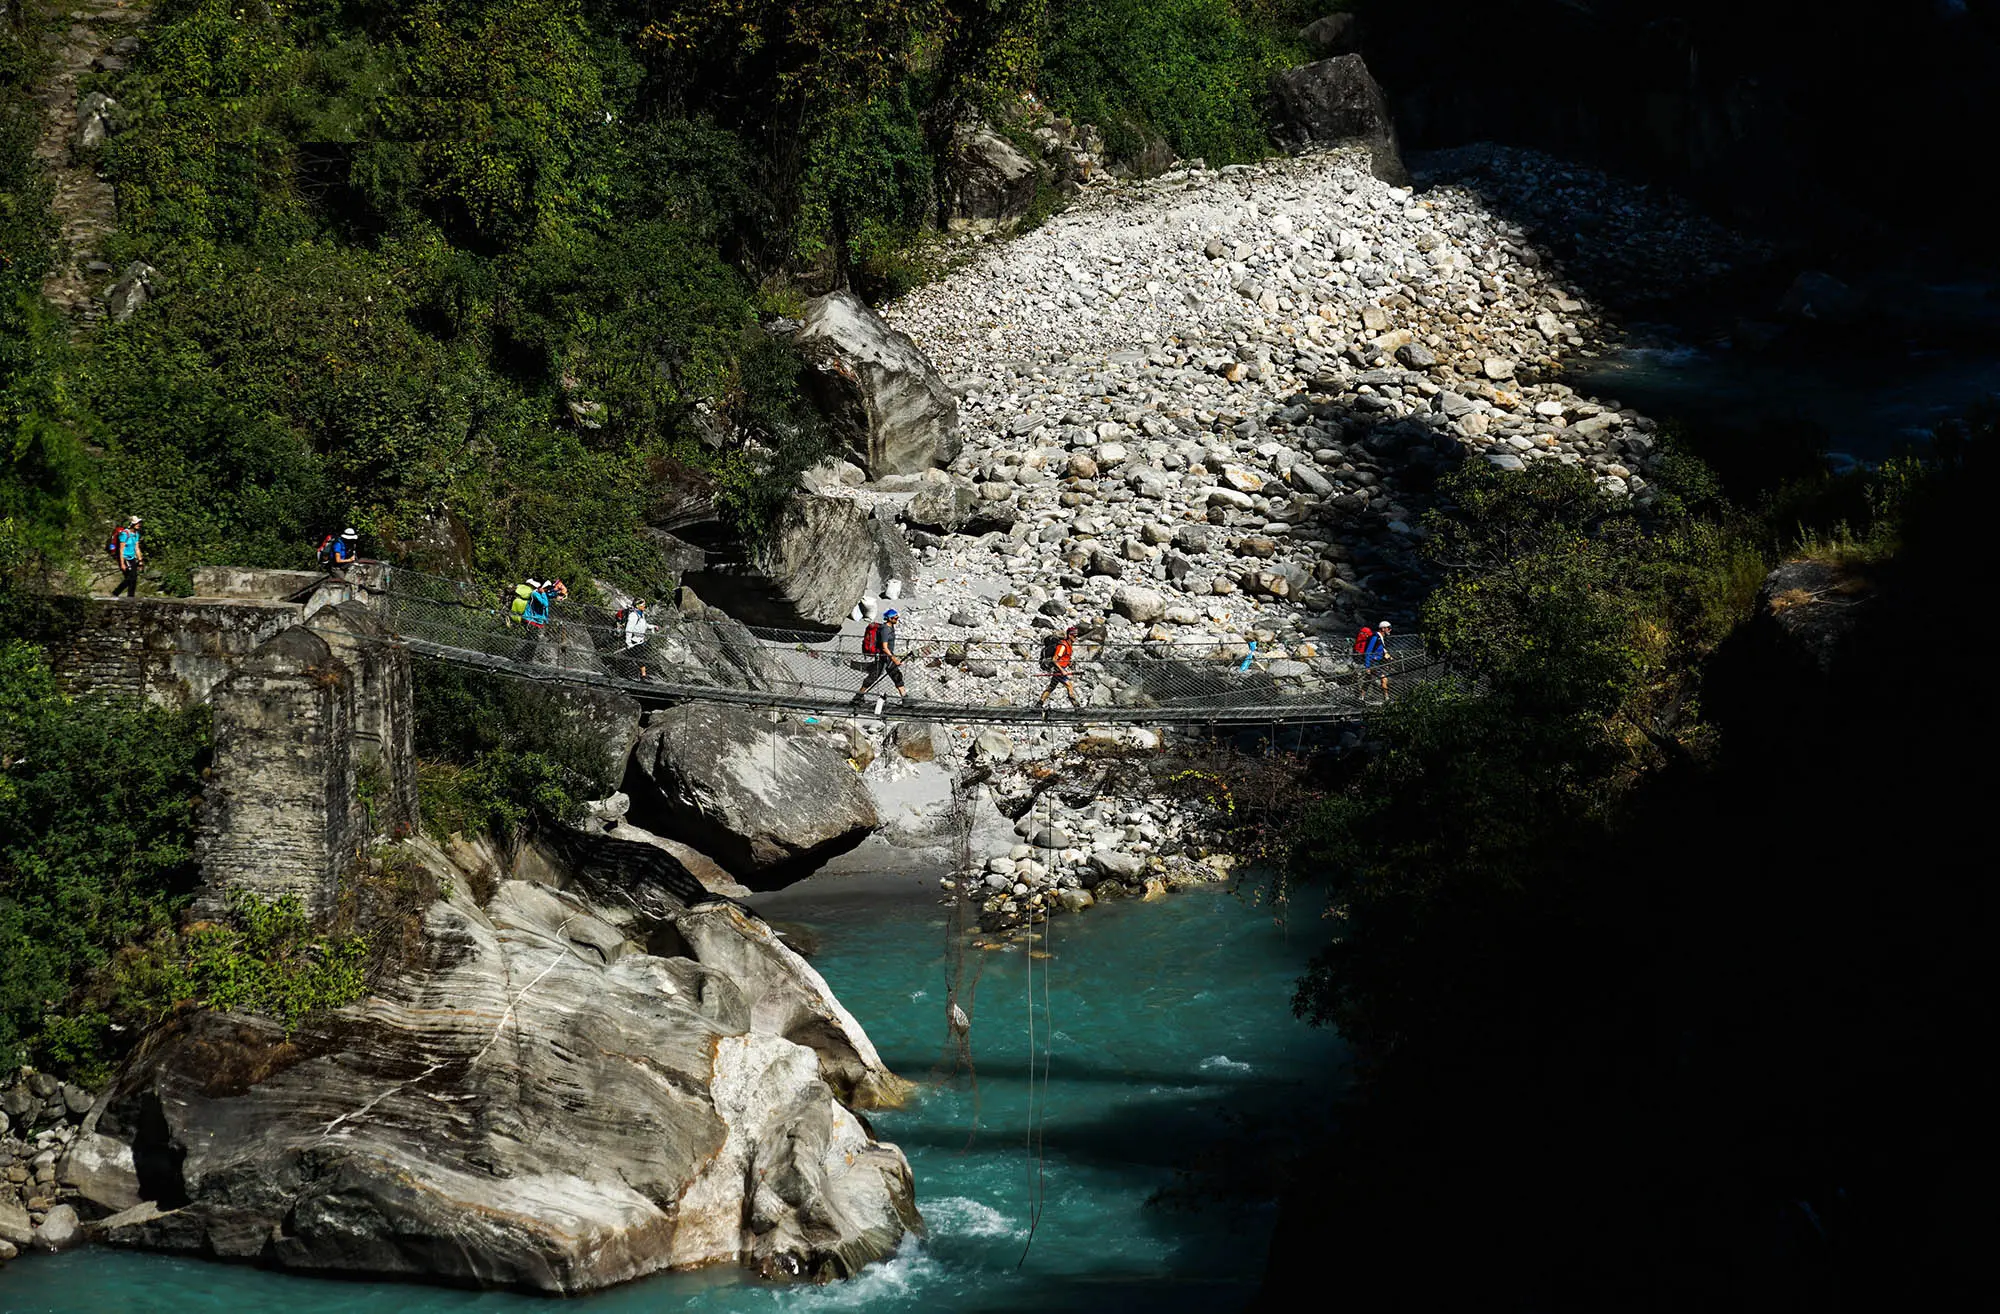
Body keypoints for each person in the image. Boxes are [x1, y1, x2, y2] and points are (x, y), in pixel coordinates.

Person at [852, 607, 907, 710]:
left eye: (897, 617)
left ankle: (905, 698)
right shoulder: (885, 630)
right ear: (889, 619)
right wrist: (894, 659)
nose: (897, 619)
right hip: (884, 657)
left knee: (895, 676)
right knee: (874, 677)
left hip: (887, 656)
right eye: (895, 618)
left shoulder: (890, 627)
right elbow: (884, 647)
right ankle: (858, 697)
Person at [1038, 625, 1082, 709]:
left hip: (1061, 669)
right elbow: (1055, 659)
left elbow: (1064, 658)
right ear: (1069, 635)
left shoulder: (1069, 645)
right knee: (1069, 686)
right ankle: (1077, 707)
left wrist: (1069, 663)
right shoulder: (1063, 646)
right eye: (1075, 636)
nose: (1076, 638)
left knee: (1051, 687)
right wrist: (1062, 670)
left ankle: (1039, 704)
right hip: (1058, 669)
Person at [1354, 620, 1393, 700]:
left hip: (1377, 662)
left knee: (1369, 680)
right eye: (1388, 628)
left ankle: (1361, 697)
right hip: (1373, 663)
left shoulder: (1380, 638)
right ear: (1383, 629)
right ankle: (1387, 698)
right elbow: (1368, 652)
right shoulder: (1375, 638)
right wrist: (1367, 666)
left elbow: (1380, 649)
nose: (1390, 630)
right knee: (1383, 679)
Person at [110, 516, 144, 597]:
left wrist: (140, 561)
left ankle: (131, 597)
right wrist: (122, 564)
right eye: (136, 523)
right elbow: (121, 550)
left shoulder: (136, 534)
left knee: (134, 578)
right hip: (125, 558)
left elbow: (137, 548)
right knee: (130, 577)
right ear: (132, 524)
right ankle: (116, 592)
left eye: (139, 523)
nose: (138, 524)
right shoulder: (125, 534)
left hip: (132, 558)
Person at [621, 599, 655, 679]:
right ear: (637, 605)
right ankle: (642, 676)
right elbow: (629, 629)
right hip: (634, 641)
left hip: (640, 641)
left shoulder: (641, 614)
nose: (645, 607)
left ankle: (641, 675)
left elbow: (644, 624)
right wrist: (628, 642)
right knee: (640, 658)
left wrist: (652, 626)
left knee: (635, 658)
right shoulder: (633, 615)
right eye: (643, 605)